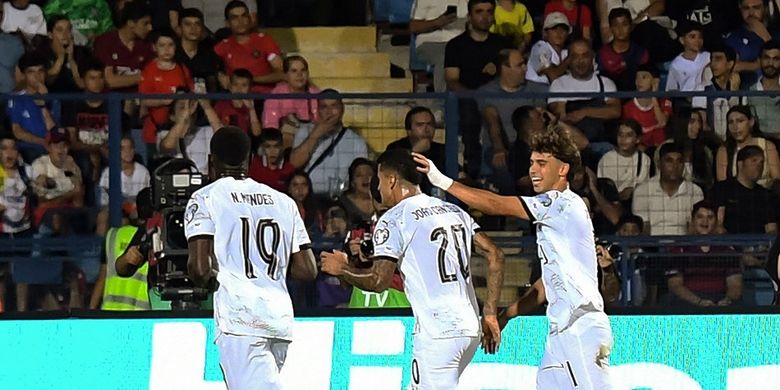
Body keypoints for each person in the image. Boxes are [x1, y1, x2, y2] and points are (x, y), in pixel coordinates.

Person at [414, 125, 615, 389]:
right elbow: (545, 287)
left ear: (563, 169)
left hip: (581, 328)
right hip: (560, 337)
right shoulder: (554, 216)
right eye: (532, 162)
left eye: (543, 163)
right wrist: (506, 315)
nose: (533, 169)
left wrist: (441, 181)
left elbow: (496, 204)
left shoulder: (562, 204)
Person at [320, 149, 505, 388]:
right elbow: (496, 254)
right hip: (470, 328)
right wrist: (489, 312)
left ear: (391, 180)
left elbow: (379, 281)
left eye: (380, 181)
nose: (379, 189)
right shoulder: (454, 210)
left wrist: (342, 269)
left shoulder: (394, 217)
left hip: (437, 332)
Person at [186, 126, 318, 390]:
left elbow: (200, 268)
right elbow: (307, 269)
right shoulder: (284, 201)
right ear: (249, 160)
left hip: (240, 318)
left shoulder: (205, 197)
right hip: (279, 319)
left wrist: (213, 278)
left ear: (211, 161)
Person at [665, 200, 742, 307]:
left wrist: (726, 301)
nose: (705, 221)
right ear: (692, 221)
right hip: (687, 303)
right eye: (700, 217)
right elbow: (675, 285)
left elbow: (735, 285)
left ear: (716, 222)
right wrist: (699, 302)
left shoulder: (727, 250)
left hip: (719, 301)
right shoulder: (679, 250)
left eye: (710, 217)